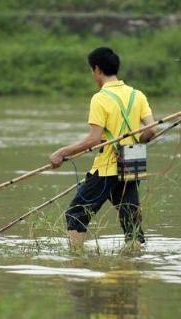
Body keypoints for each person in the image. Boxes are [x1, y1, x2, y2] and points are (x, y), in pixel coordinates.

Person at [49, 47, 155, 248]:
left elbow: (94, 140)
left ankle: (77, 260)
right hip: (132, 165)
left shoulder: (100, 98)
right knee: (131, 221)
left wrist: (61, 152)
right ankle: (135, 264)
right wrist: (133, 137)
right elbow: (151, 132)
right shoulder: (137, 95)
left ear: (97, 69)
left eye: (91, 70)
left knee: (76, 214)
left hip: (107, 168)